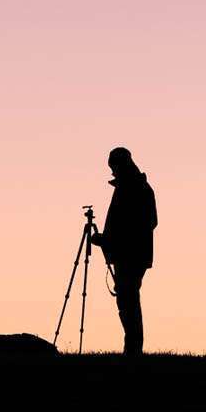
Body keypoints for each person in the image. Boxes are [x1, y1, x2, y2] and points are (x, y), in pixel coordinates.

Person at [90, 147, 157, 356]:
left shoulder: (136, 189)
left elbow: (145, 223)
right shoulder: (133, 187)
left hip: (131, 255)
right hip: (129, 254)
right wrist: (107, 241)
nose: (112, 173)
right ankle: (132, 348)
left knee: (128, 299)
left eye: (113, 168)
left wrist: (109, 240)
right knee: (127, 299)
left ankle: (133, 349)